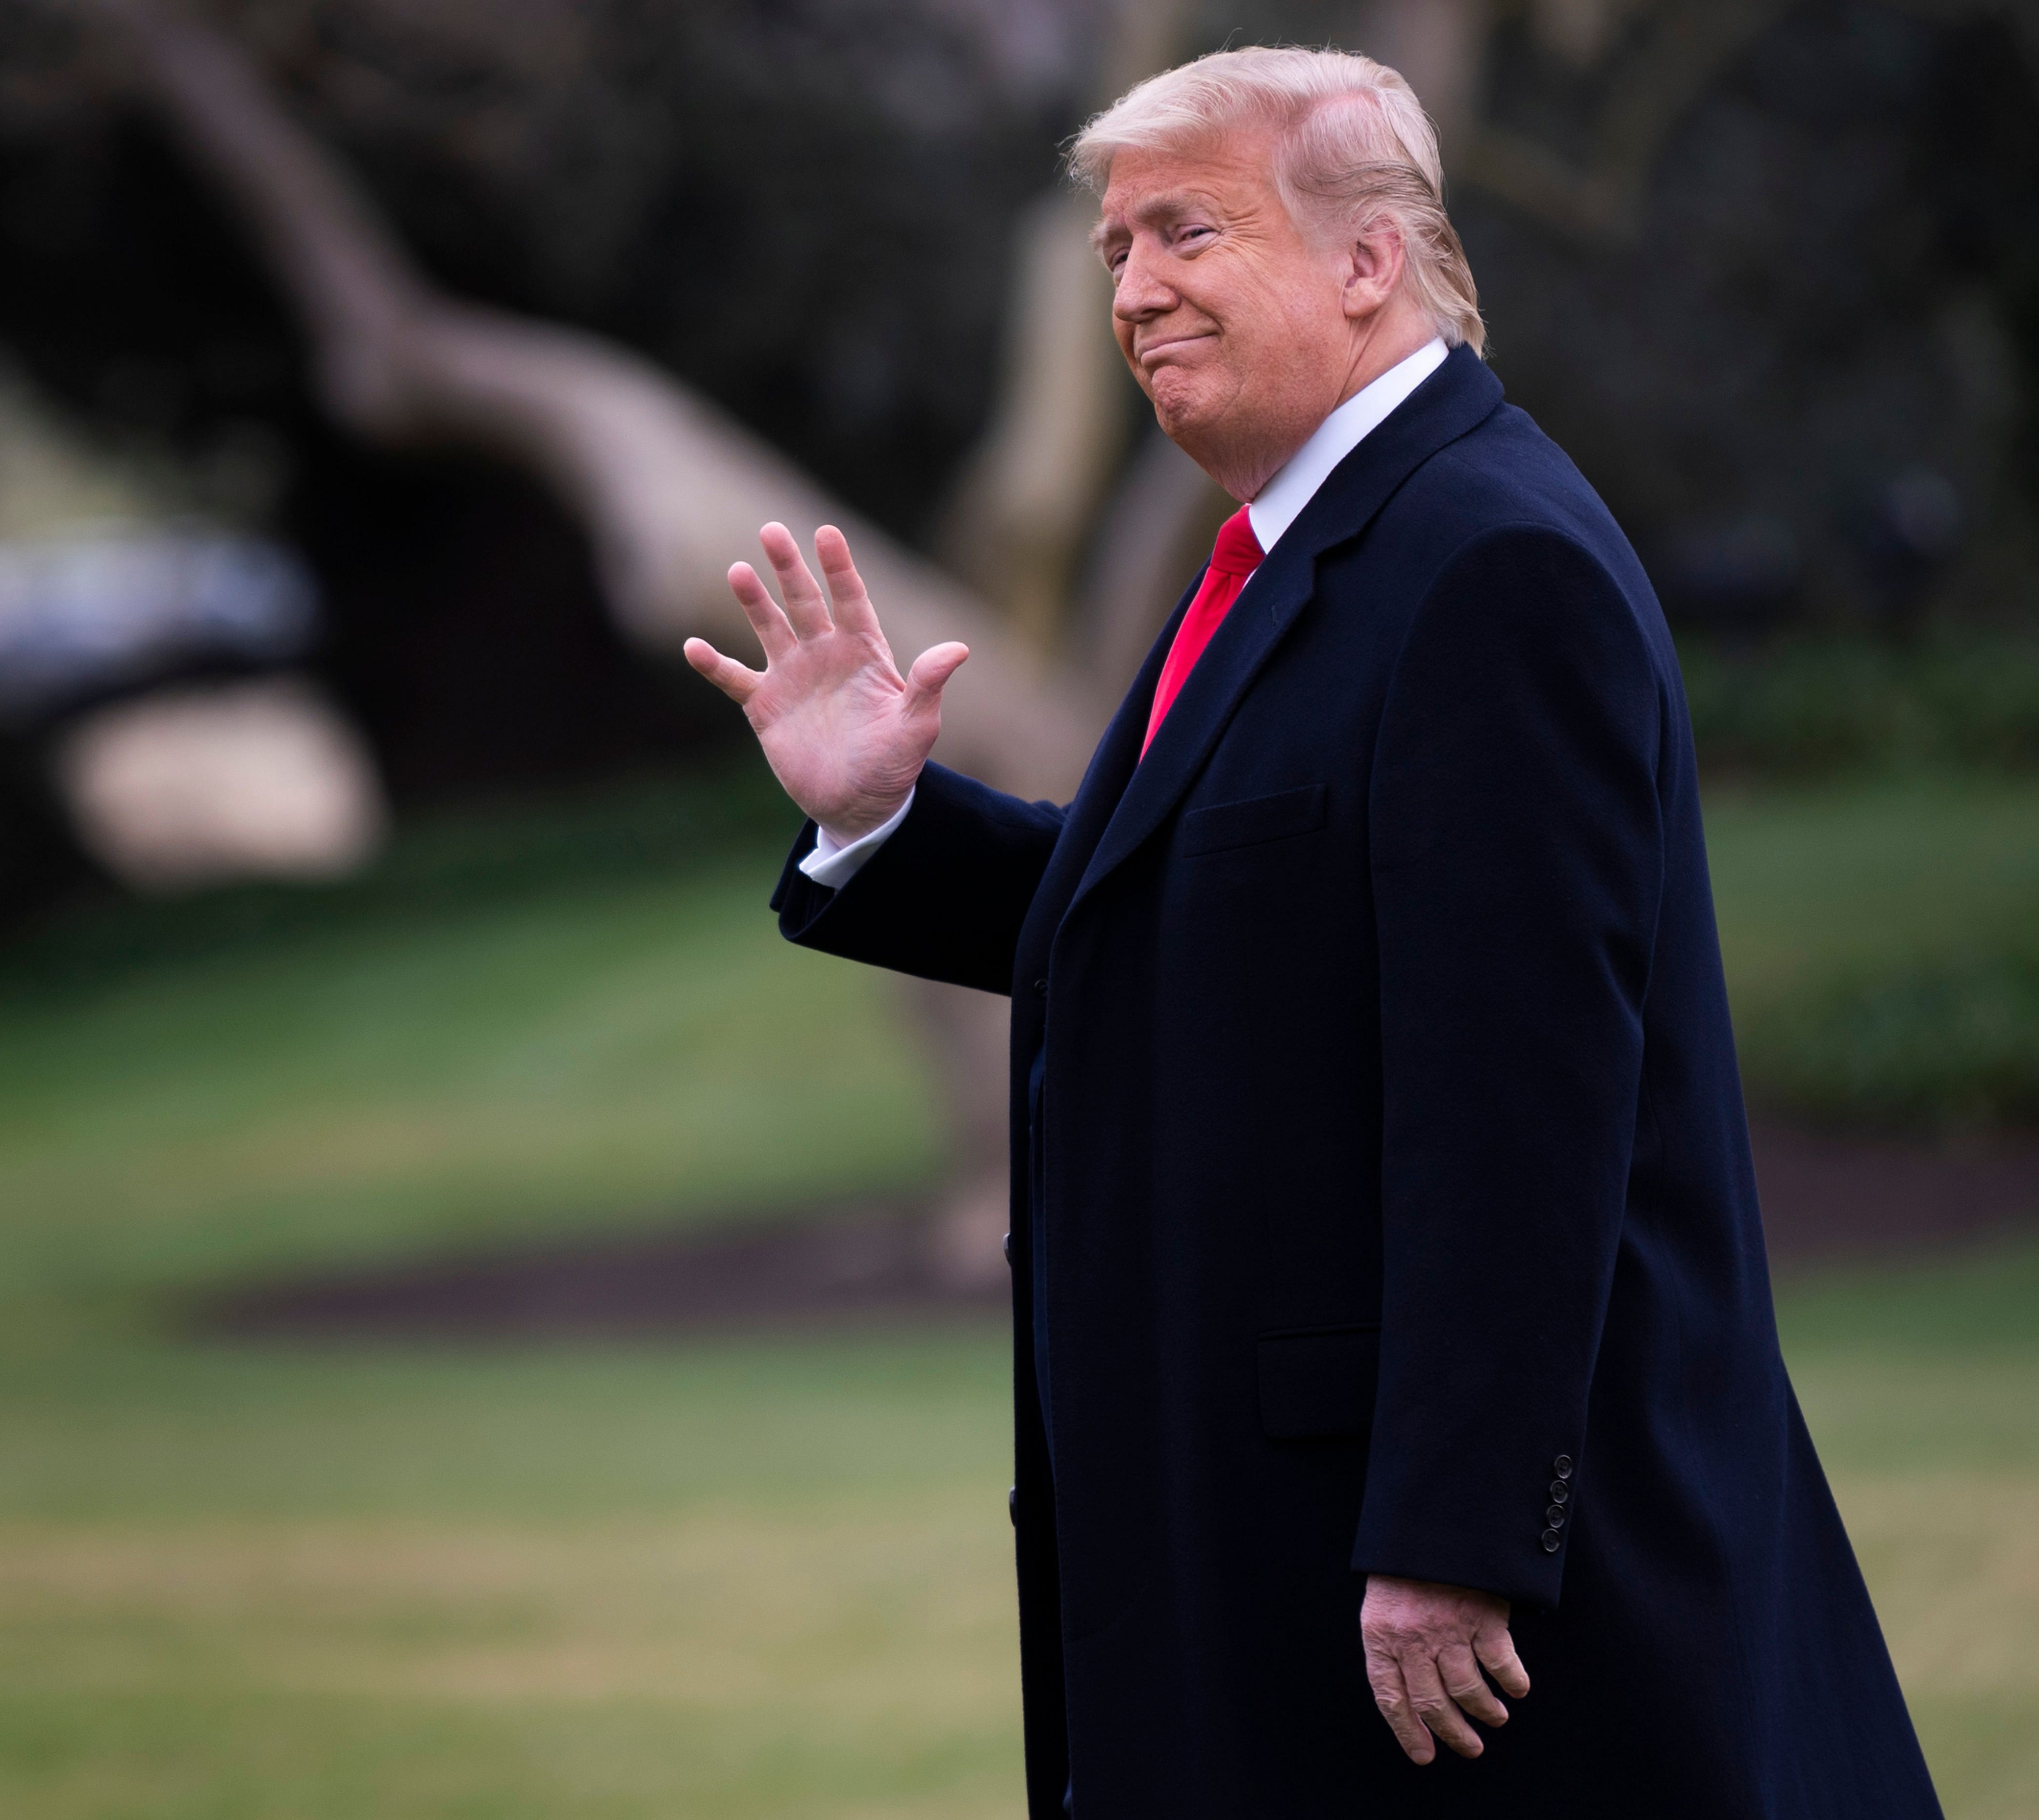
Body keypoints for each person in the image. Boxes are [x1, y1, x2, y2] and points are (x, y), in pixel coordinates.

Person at [684, 44, 1943, 1820]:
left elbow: (1520, 1094)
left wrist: (1454, 1528)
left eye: (1185, 231)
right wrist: (878, 816)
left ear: (1369, 258)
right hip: (1272, 1541)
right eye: (1116, 249)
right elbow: (1207, 914)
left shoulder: (1488, 564)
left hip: (1433, 1605)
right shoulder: (1313, 547)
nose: (1133, 290)